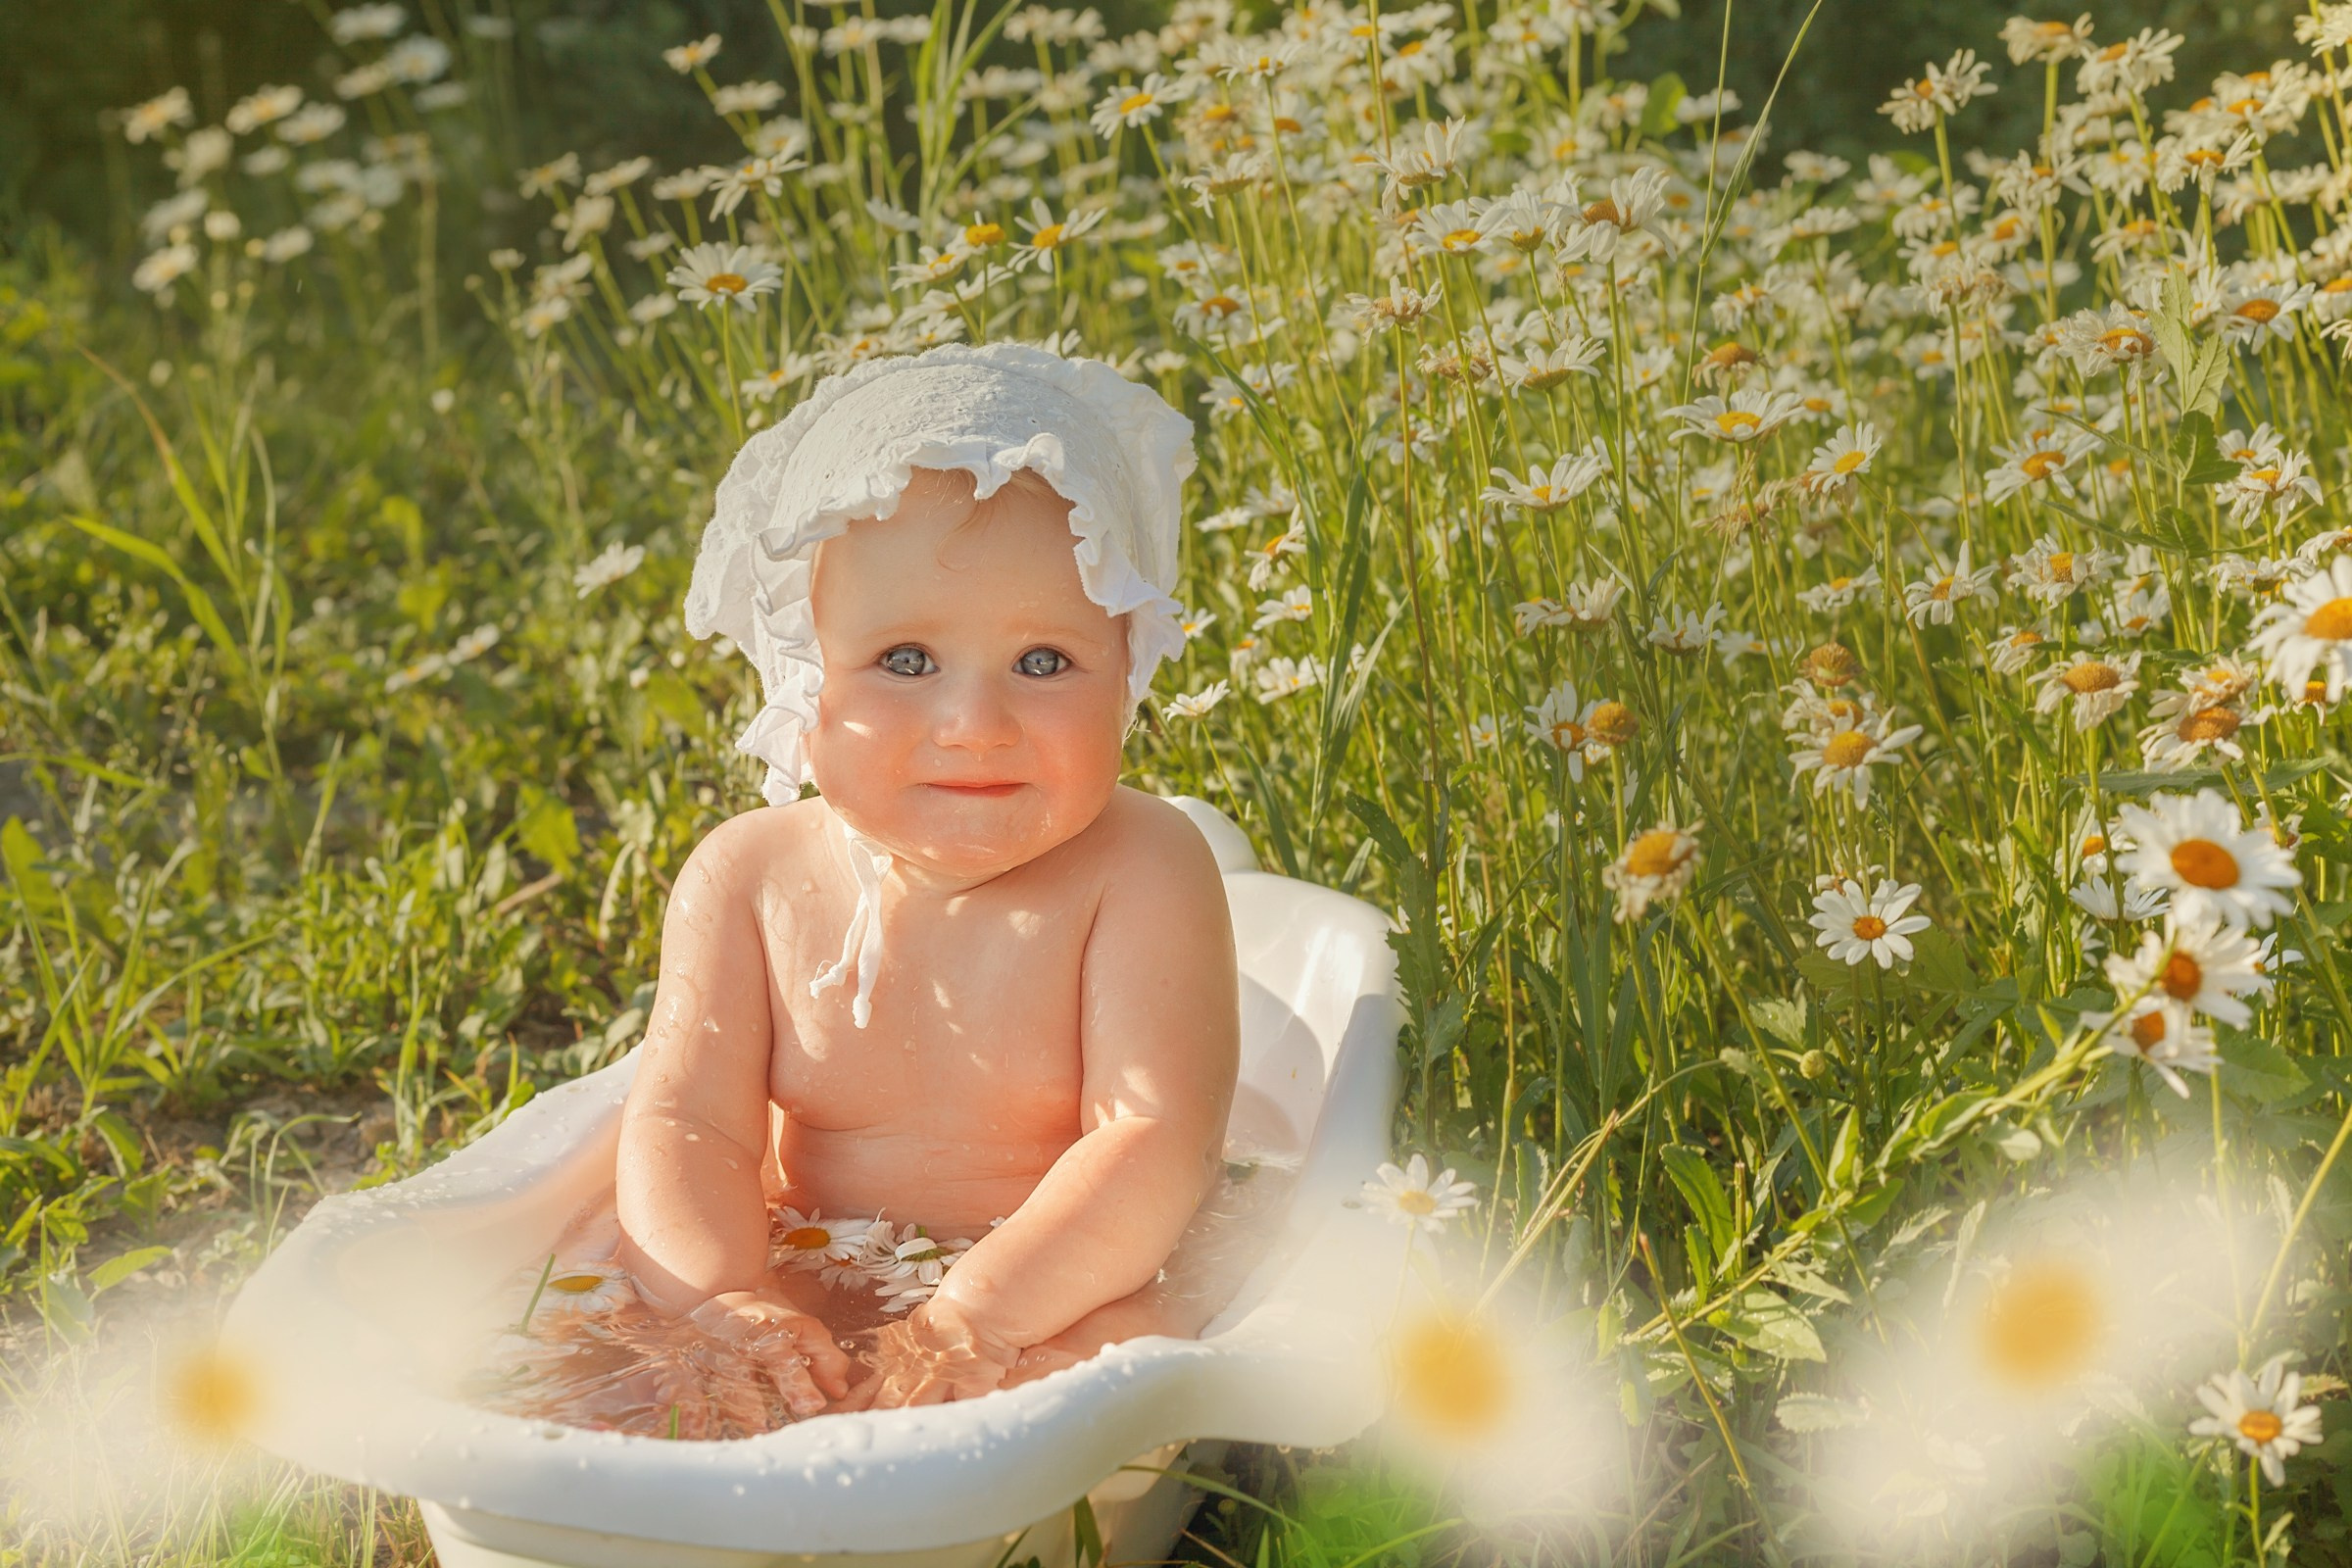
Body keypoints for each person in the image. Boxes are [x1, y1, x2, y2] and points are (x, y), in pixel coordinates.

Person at [612, 342, 1242, 1420]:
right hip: (807, 1269)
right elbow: (685, 1126)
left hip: (1071, 1279)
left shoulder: (1142, 869)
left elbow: (1154, 1141)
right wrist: (726, 1298)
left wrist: (979, 1318)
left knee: (1143, 1337)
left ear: (1127, 666)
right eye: (905, 660)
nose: (973, 726)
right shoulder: (750, 879)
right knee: (636, 1339)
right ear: (804, 674)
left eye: (1044, 662)